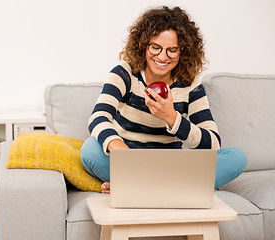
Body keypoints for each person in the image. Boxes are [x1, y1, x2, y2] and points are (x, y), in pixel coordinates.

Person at [80, 6, 247, 194]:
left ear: (183, 51)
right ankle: (166, 189)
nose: (162, 57)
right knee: (90, 150)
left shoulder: (190, 86)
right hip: (127, 161)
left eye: (172, 50)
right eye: (155, 47)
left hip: (169, 165)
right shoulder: (125, 74)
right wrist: (118, 148)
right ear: (143, 45)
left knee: (237, 157)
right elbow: (98, 117)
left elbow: (213, 143)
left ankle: (136, 187)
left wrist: (172, 117)